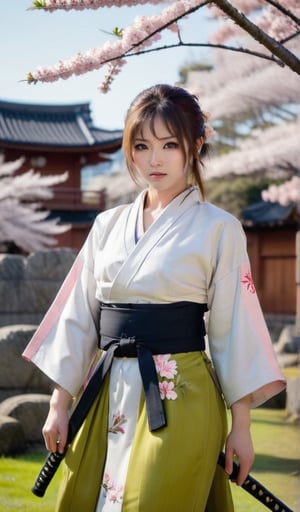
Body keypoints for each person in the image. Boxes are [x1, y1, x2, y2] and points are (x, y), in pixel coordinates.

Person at [23, 83, 286, 512]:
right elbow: (77, 318)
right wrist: (58, 404)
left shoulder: (219, 229)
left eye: (170, 144)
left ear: (195, 146)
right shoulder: (107, 225)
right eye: (142, 145)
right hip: (104, 392)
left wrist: (241, 426)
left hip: (180, 392)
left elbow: (234, 329)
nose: (155, 159)